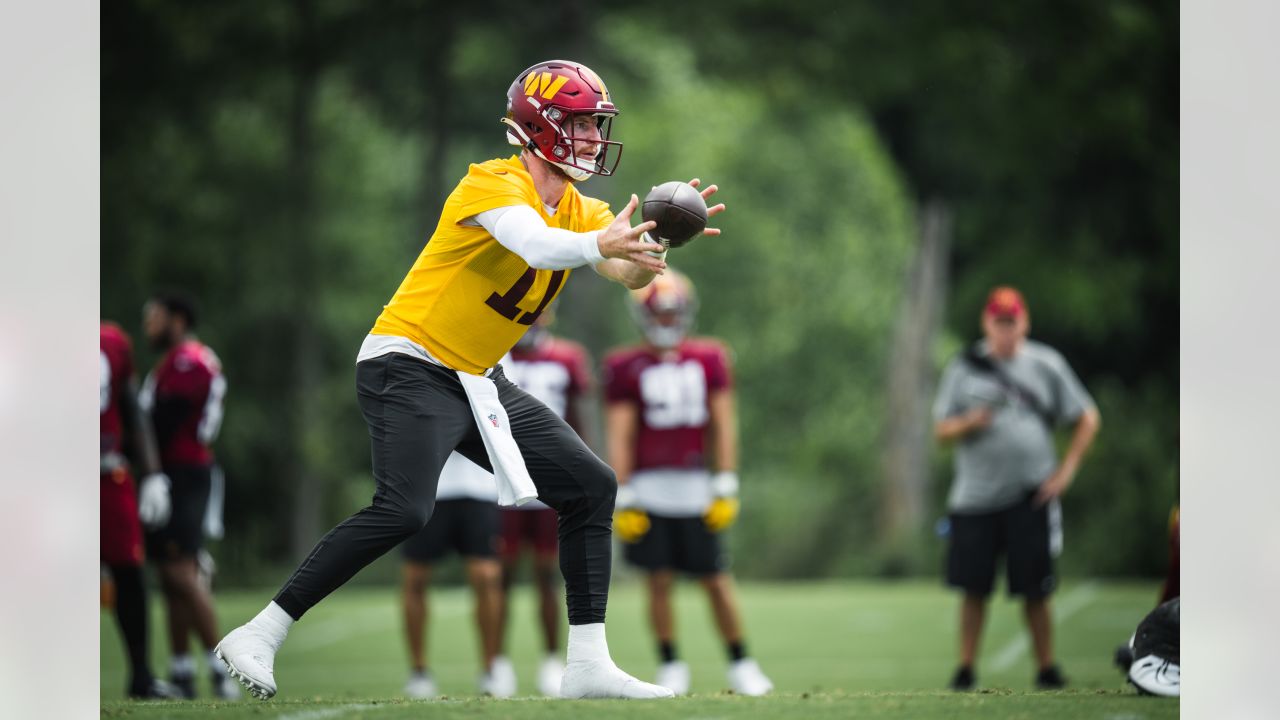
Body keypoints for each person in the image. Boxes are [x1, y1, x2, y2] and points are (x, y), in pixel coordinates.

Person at [216, 59, 725, 701]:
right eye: (582, 124)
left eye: (598, 125)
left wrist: (654, 251)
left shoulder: (580, 208)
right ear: (541, 127)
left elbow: (621, 271)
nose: (595, 138)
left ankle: (588, 664)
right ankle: (259, 632)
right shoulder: (490, 185)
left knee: (590, 486)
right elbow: (538, 246)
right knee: (404, 509)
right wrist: (604, 246)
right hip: (407, 362)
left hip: (475, 378)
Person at [603, 269, 773, 696]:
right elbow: (620, 432)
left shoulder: (710, 356)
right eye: (659, 315)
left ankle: (741, 663)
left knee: (715, 579)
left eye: (672, 314)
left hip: (695, 484)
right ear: (643, 316)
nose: (666, 322)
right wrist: (623, 492)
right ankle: (670, 663)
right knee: (657, 580)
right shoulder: (624, 365)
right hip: (649, 486)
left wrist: (726, 481)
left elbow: (723, 423)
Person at [932, 285, 1101, 691]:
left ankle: (1046, 667)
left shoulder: (1046, 365)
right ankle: (965, 668)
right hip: (975, 497)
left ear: (1024, 322)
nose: (1006, 329)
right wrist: (969, 422)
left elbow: (1087, 416)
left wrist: (1066, 471)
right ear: (986, 323)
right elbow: (940, 429)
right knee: (973, 587)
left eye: (1012, 321)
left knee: (1035, 588)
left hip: (1031, 494)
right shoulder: (964, 367)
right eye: (998, 321)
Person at [139, 293, 239, 699]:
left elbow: (162, 422)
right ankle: (182, 670)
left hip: (186, 472)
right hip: (171, 472)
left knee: (182, 570)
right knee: (168, 571)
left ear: (177, 319)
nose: (148, 325)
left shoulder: (189, 362)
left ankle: (220, 667)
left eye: (155, 317)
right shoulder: (170, 363)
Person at [496, 314, 594, 697]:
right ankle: (497, 661)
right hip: (501, 477)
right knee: (501, 573)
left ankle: (552, 658)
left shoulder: (567, 357)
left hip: (549, 480)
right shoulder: (493, 354)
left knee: (546, 573)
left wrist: (583, 466)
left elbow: (577, 419)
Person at [100, 320, 181, 700]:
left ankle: (142, 674)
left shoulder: (111, 342)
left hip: (106, 471)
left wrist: (151, 474)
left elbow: (132, 410)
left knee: (129, 572)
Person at [399, 453, 509, 699]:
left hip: (480, 489)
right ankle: (419, 673)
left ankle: (490, 670)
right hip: (425, 488)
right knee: (414, 578)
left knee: (486, 577)